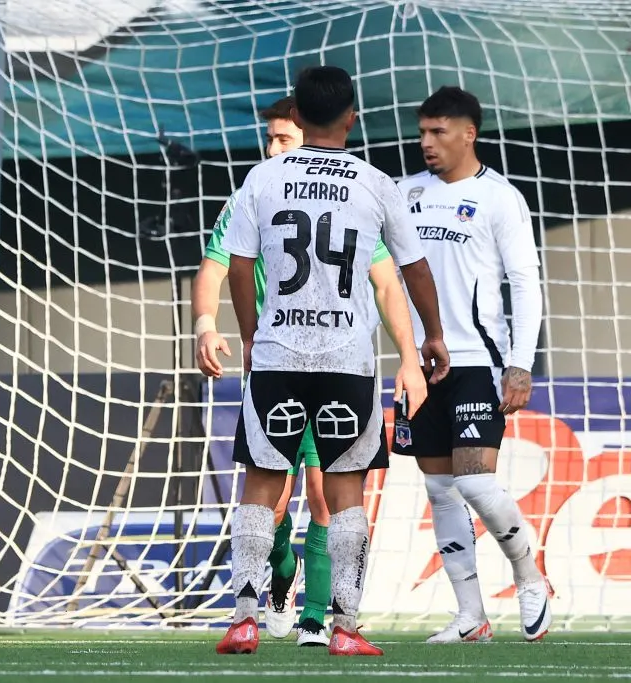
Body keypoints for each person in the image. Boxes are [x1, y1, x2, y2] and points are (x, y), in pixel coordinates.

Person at [215, 65, 449, 656]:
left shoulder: (263, 179)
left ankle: (244, 618)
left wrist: (250, 335)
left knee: (262, 485)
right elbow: (411, 268)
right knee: (345, 494)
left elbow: (238, 267)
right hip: (347, 360)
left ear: (294, 114)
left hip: (278, 355)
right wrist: (432, 339)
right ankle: (344, 625)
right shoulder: (375, 182)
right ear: (352, 117)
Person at [393, 86, 550, 643]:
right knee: (439, 491)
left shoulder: (499, 197)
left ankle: (530, 575)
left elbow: (525, 283)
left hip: (477, 362)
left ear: (469, 134)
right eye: (421, 133)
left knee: (476, 482)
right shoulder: (403, 192)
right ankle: (471, 616)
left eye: (438, 132)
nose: (426, 143)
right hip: (420, 368)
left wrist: (520, 363)